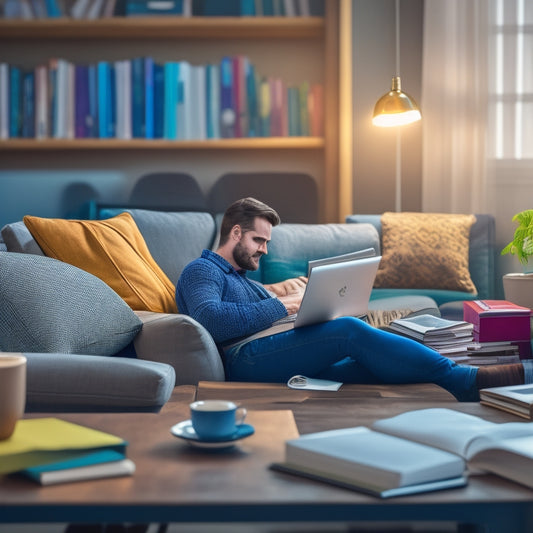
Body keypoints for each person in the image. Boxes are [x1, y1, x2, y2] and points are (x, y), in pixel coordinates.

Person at [176, 197, 533, 401]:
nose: (264, 251)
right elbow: (214, 320)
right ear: (235, 233)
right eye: (258, 241)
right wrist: (290, 304)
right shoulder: (202, 270)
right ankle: (466, 380)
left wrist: (296, 296)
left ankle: (484, 380)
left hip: (267, 349)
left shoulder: (240, 278)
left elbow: (249, 306)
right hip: (243, 361)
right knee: (346, 330)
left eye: (267, 243)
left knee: (368, 363)